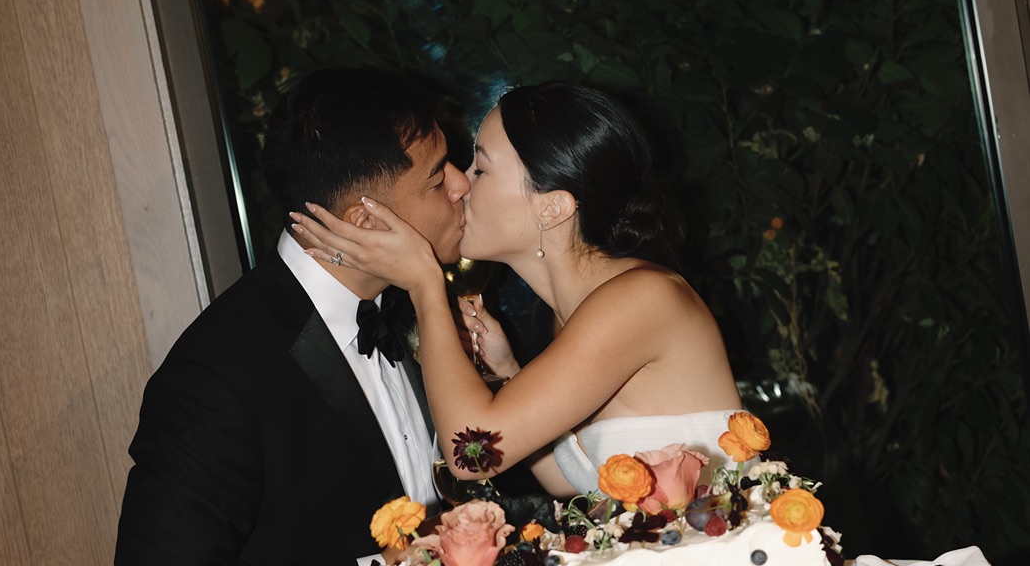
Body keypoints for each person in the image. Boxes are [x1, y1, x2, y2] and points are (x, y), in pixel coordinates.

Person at [114, 67, 469, 566]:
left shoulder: (412, 308)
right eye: (438, 176)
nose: (462, 188)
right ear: (364, 217)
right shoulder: (222, 369)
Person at [291, 80, 741, 497]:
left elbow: (474, 455)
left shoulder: (639, 300)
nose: (461, 184)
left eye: (481, 169)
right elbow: (569, 479)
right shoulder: (574, 313)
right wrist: (508, 373)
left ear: (552, 208)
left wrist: (424, 284)